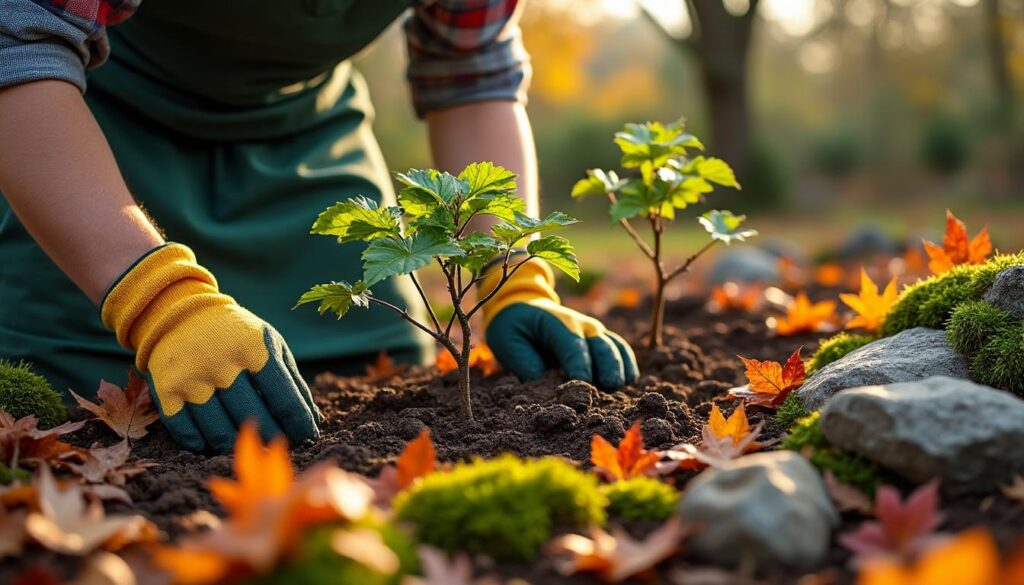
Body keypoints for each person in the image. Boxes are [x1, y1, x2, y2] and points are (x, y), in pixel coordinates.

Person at [0, 0, 638, 453]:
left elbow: (471, 73)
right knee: (83, 397)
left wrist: (509, 275)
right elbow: (17, 41)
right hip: (77, 135)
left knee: (381, 370)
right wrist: (158, 305)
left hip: (302, 141)